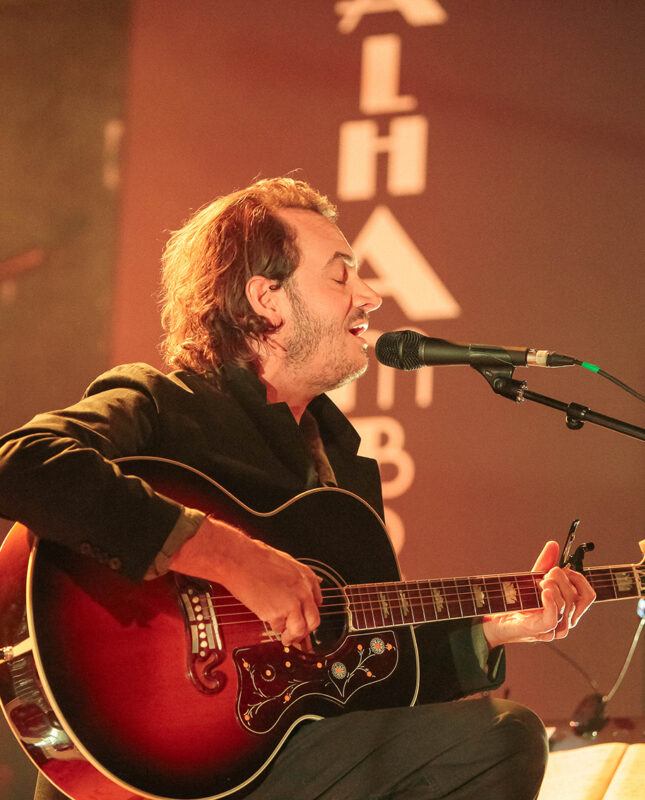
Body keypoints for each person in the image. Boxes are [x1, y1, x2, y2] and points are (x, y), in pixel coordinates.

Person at [0, 177, 595, 800]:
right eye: (341, 276)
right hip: (148, 772)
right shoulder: (165, 403)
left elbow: (369, 681)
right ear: (266, 300)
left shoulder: (343, 469)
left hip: (273, 766)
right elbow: (22, 463)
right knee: (502, 738)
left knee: (481, 745)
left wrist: (495, 628)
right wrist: (233, 558)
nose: (369, 296)